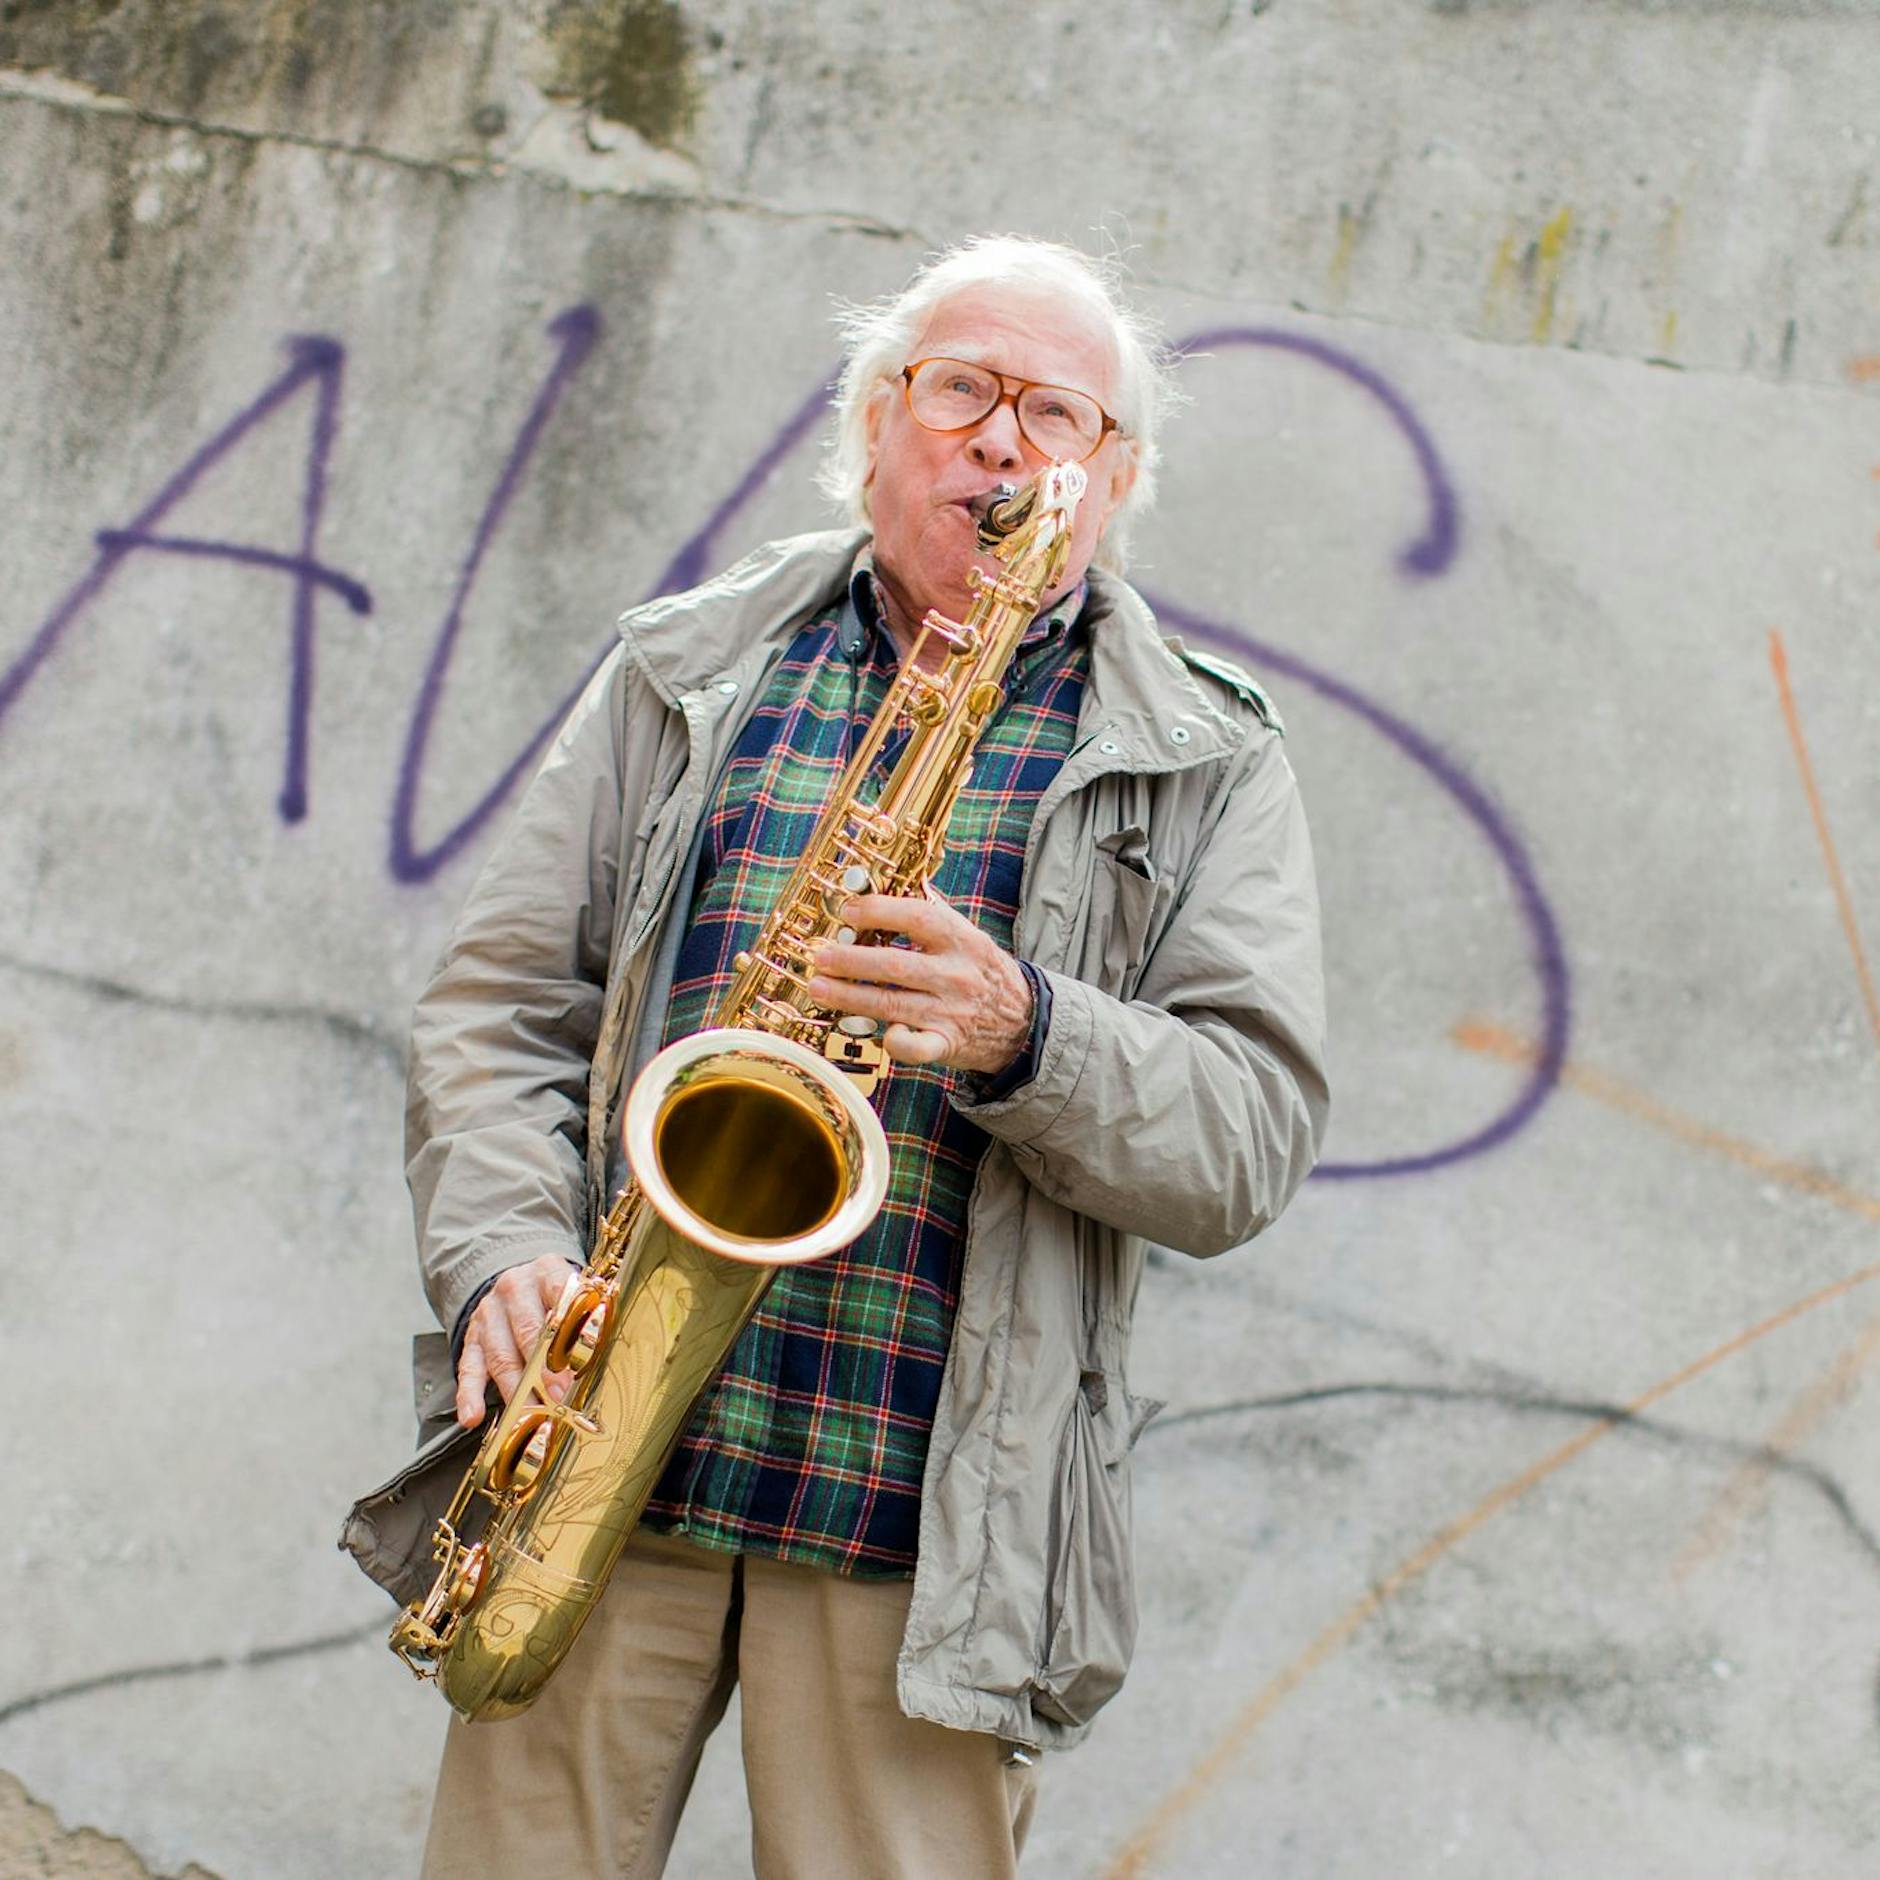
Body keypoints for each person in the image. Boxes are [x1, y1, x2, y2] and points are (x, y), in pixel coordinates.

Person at [377, 234, 1328, 1877]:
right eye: (960, 387)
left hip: (921, 1532)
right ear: (878, 420)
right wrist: (502, 1256)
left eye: (1057, 414)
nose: (1003, 440)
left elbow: (1246, 1136)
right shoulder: (685, 664)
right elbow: (499, 1003)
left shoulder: (1214, 758)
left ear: (1112, 478)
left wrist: (1025, 1031)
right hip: (605, 1456)